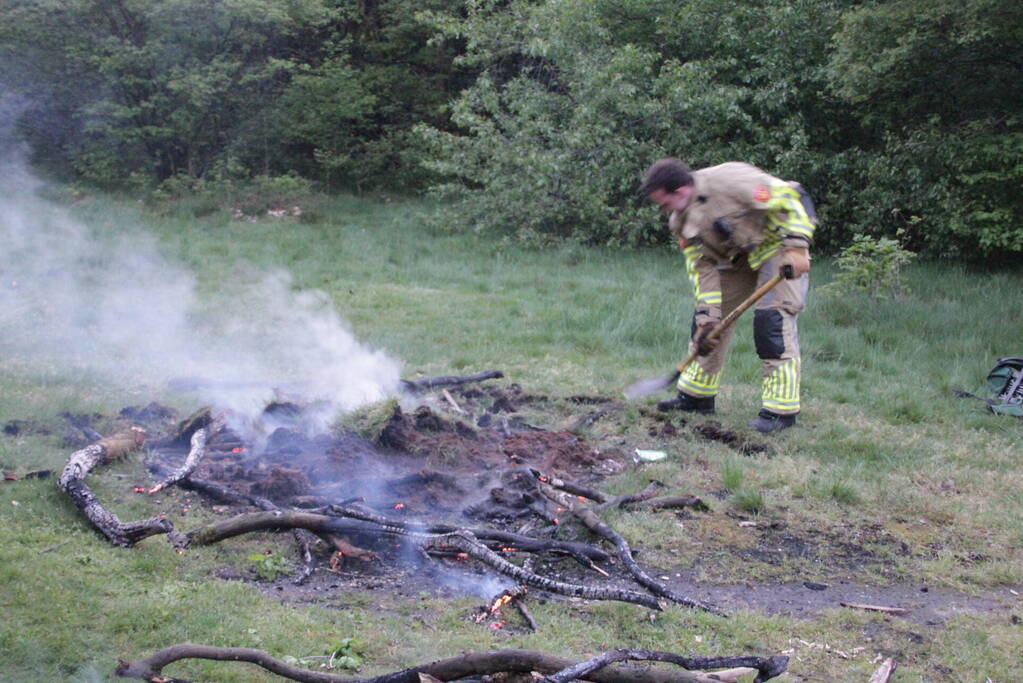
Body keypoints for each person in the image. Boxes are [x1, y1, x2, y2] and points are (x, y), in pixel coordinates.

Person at [641, 158, 816, 433]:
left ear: (679, 191)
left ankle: (780, 412)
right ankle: (696, 396)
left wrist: (797, 246)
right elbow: (701, 268)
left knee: (771, 324)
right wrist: (707, 317)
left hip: (777, 246)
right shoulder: (680, 222)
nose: (663, 211)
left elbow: (792, 197)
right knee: (707, 331)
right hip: (738, 258)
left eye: (663, 203)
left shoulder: (731, 180)